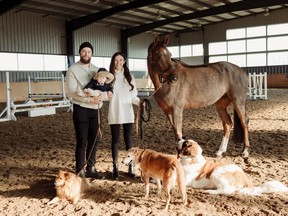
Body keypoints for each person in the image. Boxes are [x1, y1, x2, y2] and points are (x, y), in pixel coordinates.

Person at [66, 42, 106, 179]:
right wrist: (89, 100)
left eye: (89, 52)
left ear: (92, 53)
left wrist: (103, 96)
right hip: (81, 109)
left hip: (96, 110)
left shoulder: (97, 70)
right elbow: (71, 92)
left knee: (95, 139)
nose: (86, 54)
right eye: (83, 51)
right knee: (82, 140)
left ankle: (91, 167)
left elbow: (103, 87)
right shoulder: (72, 69)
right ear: (79, 53)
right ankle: (80, 169)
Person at [108, 52, 140, 179]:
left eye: (120, 60)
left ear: (124, 61)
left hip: (127, 111)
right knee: (115, 140)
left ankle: (131, 165)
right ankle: (115, 166)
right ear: (113, 61)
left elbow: (133, 95)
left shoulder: (129, 76)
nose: (118, 62)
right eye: (116, 60)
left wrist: (139, 103)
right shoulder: (109, 76)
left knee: (128, 139)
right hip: (115, 110)